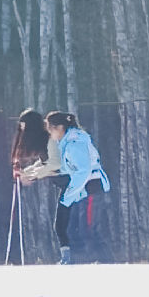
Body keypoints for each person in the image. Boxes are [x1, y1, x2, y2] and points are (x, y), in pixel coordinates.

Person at [44, 111, 110, 264]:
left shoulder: (75, 142)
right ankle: (76, 261)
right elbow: (71, 168)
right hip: (81, 190)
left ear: (60, 128)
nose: (50, 133)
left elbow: (83, 170)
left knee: (87, 228)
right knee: (70, 227)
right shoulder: (66, 142)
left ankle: (105, 262)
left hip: (91, 187)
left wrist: (69, 195)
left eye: (50, 129)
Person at [10, 108, 61, 183]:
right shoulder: (43, 139)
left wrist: (34, 175)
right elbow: (44, 161)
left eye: (25, 128)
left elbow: (56, 164)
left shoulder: (51, 138)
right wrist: (25, 172)